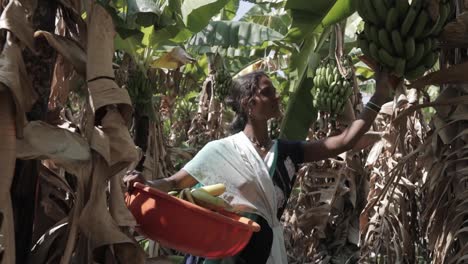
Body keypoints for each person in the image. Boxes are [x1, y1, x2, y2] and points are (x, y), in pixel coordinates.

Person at [125, 69, 391, 264]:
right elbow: (173, 183)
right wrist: (145, 183)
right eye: (268, 92)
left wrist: (378, 95)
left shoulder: (288, 152)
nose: (277, 96)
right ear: (249, 104)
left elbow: (345, 141)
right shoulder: (221, 150)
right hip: (224, 254)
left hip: (265, 251)